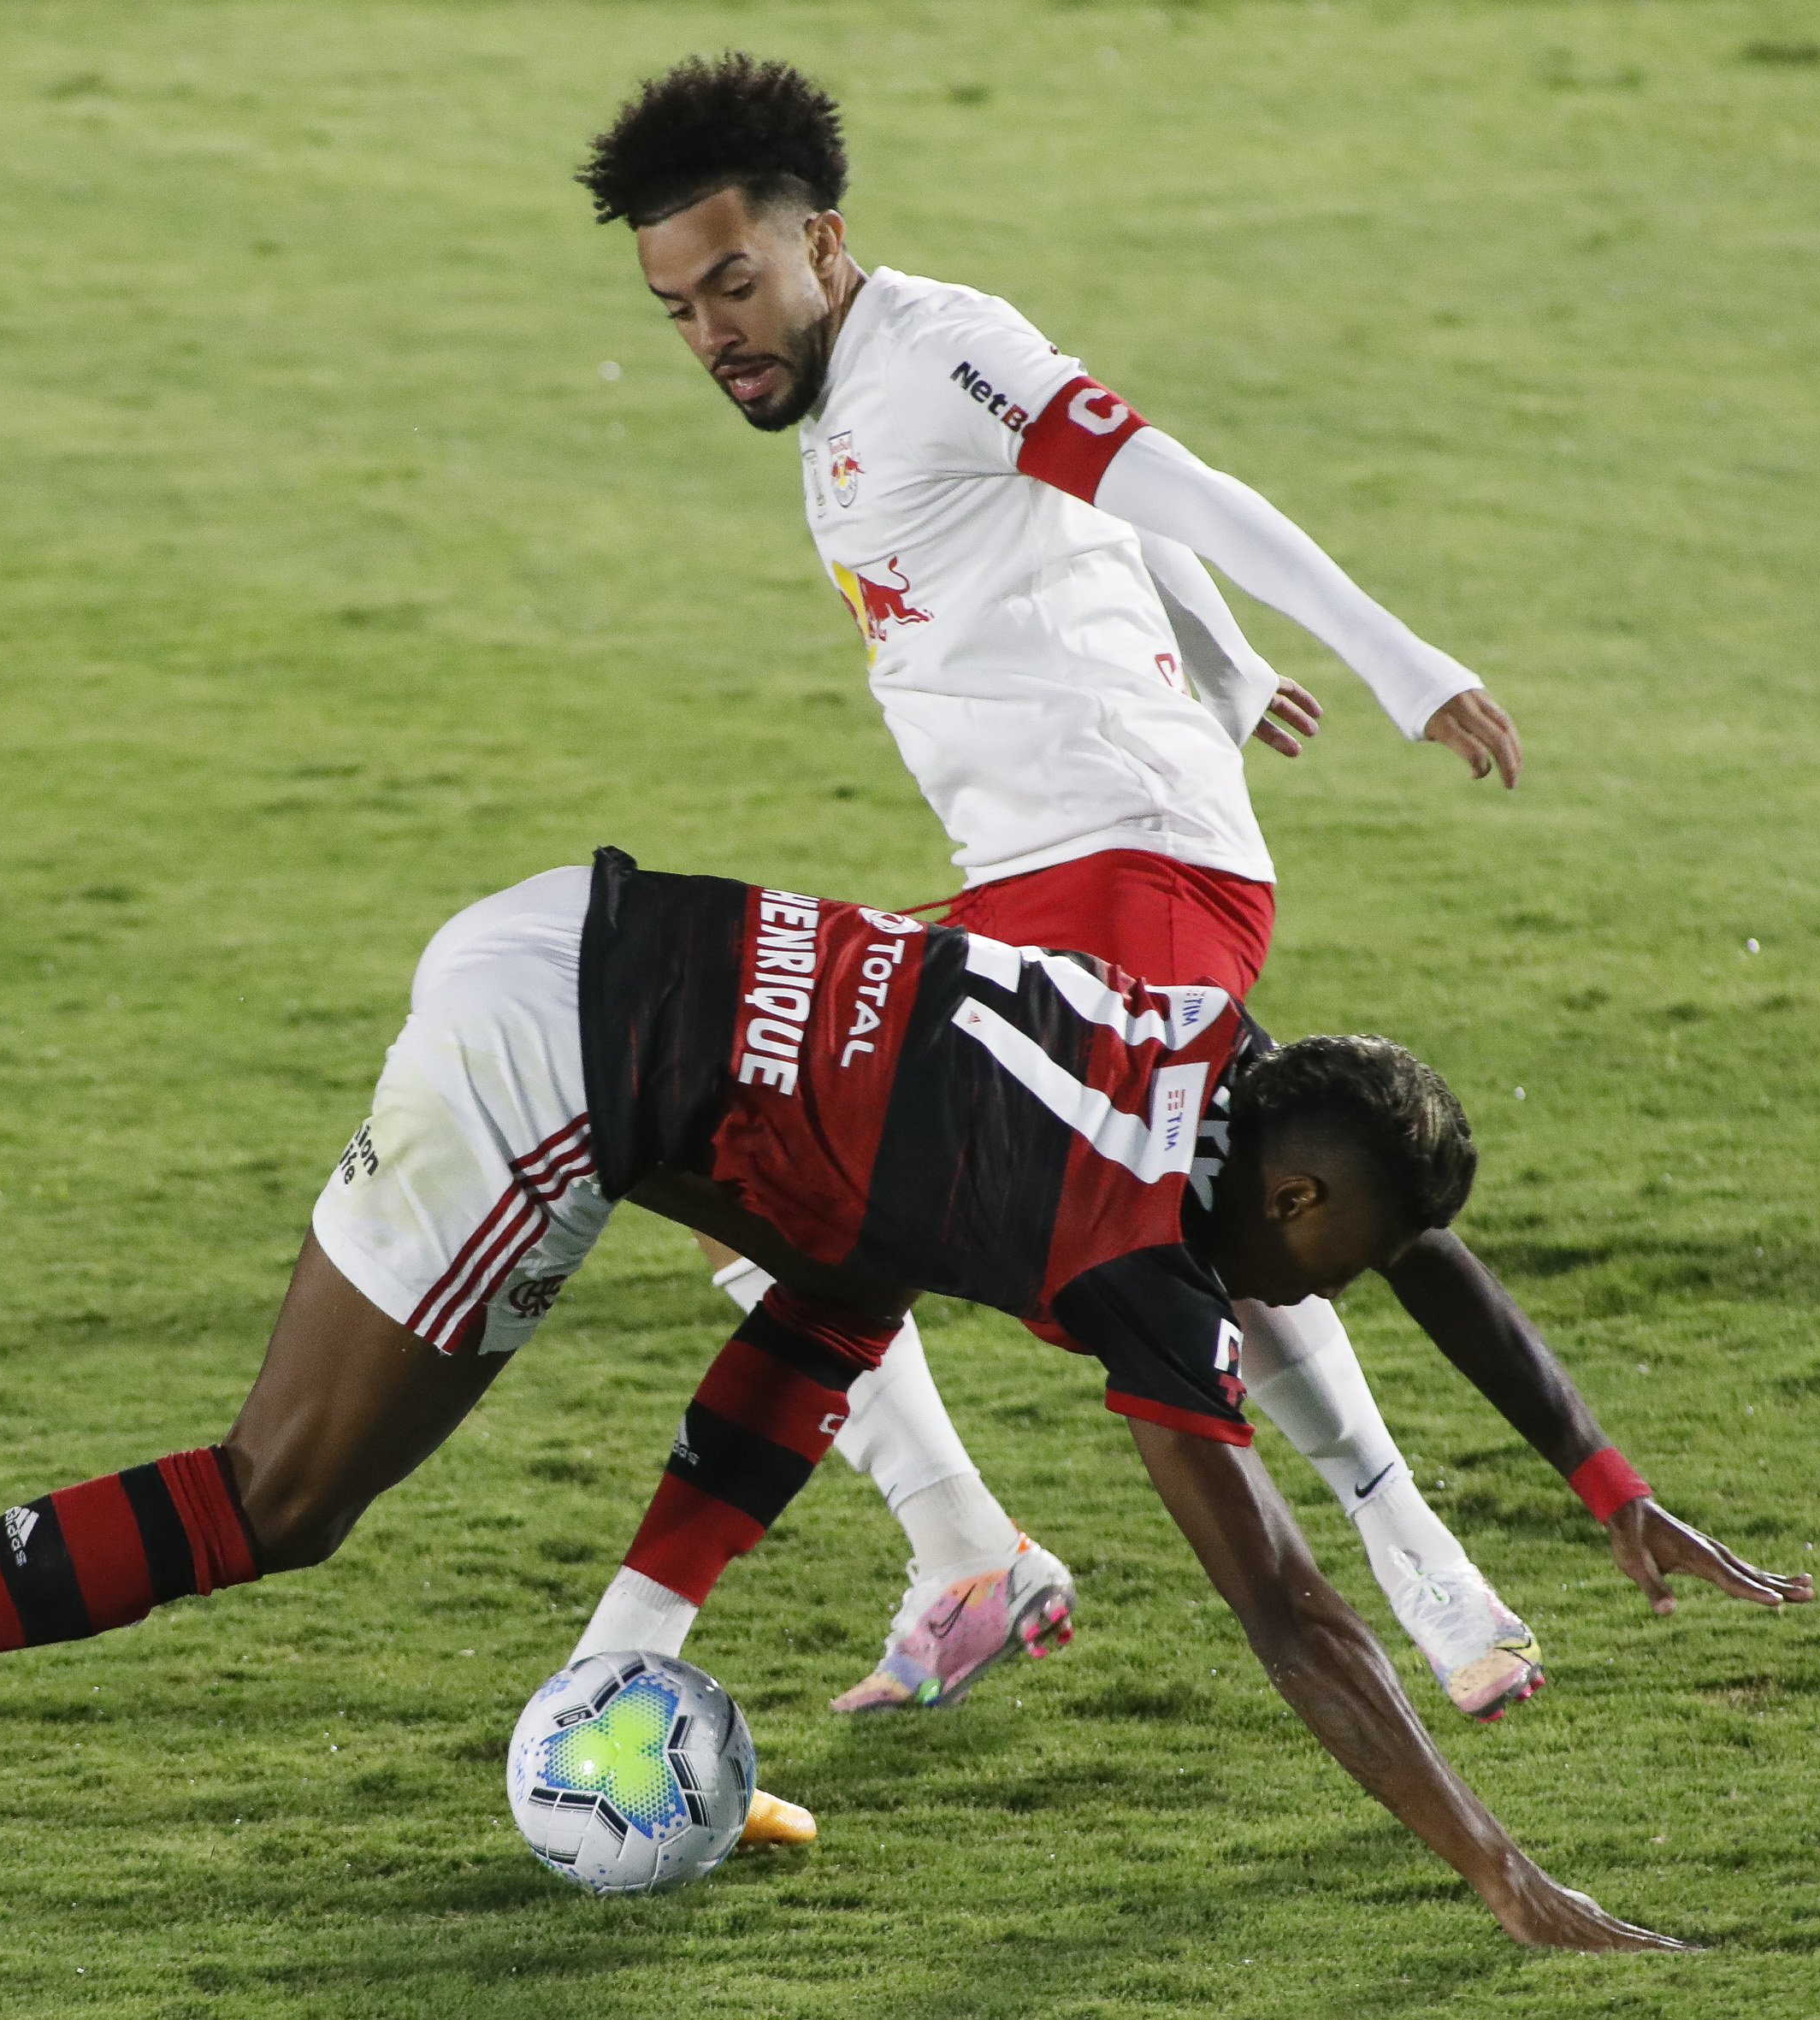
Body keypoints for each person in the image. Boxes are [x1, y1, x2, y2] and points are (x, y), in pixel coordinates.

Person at [0, 853, 1804, 1946]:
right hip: (552, 1061)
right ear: (1286, 1188)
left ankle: (606, 1703)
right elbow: (1291, 1619)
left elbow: (1378, 1217)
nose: (1287, 1307)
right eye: (1310, 1264)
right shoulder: (1141, 1260)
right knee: (280, 1492)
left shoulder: (1196, 1041)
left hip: (604, 961)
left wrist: (1588, 1468)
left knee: (838, 1301)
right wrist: (1500, 1870)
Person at [565, 54, 1553, 1725]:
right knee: (813, 1176)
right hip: (1055, 866)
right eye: (674, 308)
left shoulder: (938, 350)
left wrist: (1399, 666)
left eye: (731, 283)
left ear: (822, 240)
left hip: (1122, 860)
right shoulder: (852, 395)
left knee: (1102, 1197)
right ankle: (974, 1550)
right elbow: (1084, 501)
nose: (708, 332)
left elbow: (1176, 482)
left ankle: (1392, 1559)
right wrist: (1228, 668)